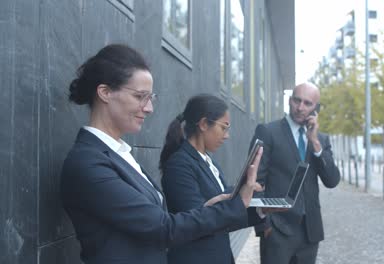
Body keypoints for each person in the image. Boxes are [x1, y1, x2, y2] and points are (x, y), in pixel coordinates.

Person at [60, 44, 263, 264]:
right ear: (105, 93)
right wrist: (235, 205)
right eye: (140, 97)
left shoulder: (118, 154)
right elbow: (162, 228)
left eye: (150, 98)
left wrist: (210, 208)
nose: (149, 108)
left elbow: (156, 224)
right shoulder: (88, 163)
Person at [159, 94, 264, 264]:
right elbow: (198, 222)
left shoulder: (208, 161)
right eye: (224, 128)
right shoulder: (179, 165)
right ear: (203, 124)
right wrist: (236, 202)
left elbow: (223, 219)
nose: (227, 135)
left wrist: (260, 210)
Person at [250, 82, 340, 264]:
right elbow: (254, 180)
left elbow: (332, 180)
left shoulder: (320, 140)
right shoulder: (268, 132)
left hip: (310, 231)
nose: (300, 108)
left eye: (308, 103)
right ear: (289, 101)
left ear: (317, 109)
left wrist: (315, 143)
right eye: (296, 101)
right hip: (276, 231)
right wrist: (263, 226)